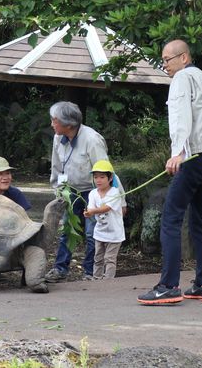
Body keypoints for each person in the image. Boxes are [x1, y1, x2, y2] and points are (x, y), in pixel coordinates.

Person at [137, 39, 202, 305]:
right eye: (163, 60)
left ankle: (168, 286)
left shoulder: (182, 79)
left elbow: (180, 116)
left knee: (170, 219)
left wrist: (178, 153)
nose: (164, 65)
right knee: (198, 220)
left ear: (184, 58)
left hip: (194, 157)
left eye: (167, 59)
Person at [44, 101, 126, 282]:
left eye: (55, 120)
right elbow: (56, 166)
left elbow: (107, 170)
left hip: (93, 191)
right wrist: (57, 190)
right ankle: (60, 269)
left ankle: (90, 272)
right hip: (70, 190)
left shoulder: (92, 139)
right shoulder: (58, 137)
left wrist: (120, 200)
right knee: (68, 229)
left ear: (68, 124)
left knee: (92, 233)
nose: (52, 124)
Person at [83, 160, 125, 279]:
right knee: (98, 258)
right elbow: (91, 208)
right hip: (100, 232)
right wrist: (88, 213)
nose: (98, 180)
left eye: (102, 177)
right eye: (96, 177)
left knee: (109, 259)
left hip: (114, 233)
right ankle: (97, 280)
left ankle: (108, 282)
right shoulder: (92, 193)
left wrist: (92, 211)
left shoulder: (115, 192)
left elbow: (106, 208)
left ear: (110, 178)